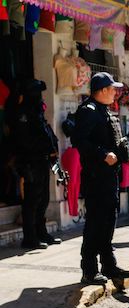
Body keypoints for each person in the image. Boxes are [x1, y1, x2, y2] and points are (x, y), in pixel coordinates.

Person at [72, 72, 129, 285]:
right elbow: (78, 140)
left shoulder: (104, 111)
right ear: (103, 90)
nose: (116, 93)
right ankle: (89, 269)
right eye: (113, 89)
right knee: (96, 222)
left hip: (109, 177)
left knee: (109, 221)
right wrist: (102, 154)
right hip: (96, 177)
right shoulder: (88, 111)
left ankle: (109, 264)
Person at [8, 79, 60, 249]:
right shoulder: (22, 114)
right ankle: (30, 238)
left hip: (42, 161)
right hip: (30, 161)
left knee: (43, 199)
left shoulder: (36, 112)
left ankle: (41, 232)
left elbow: (45, 132)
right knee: (31, 201)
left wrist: (51, 150)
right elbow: (24, 141)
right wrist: (43, 148)